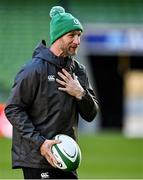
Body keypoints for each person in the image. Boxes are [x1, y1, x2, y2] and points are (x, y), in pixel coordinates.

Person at [5, 6, 99, 179]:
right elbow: (13, 109)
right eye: (71, 35)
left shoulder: (79, 72)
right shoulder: (33, 69)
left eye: (79, 35)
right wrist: (40, 143)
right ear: (57, 37)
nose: (77, 41)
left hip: (66, 157)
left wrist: (80, 94)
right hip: (38, 158)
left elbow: (91, 114)